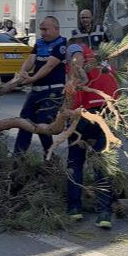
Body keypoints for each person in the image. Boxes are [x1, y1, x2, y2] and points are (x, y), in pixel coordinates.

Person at [64, 35, 120, 228]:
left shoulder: (75, 52)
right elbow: (116, 89)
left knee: (75, 163)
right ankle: (104, 212)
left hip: (82, 116)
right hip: (105, 114)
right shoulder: (105, 62)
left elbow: (76, 72)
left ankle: (74, 208)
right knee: (102, 165)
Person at [14, 16, 67, 155]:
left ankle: (49, 156)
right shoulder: (39, 43)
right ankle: (18, 157)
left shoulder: (61, 44)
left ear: (56, 29)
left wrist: (31, 78)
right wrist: (22, 73)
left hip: (52, 92)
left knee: (43, 123)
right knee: (24, 121)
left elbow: (49, 66)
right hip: (35, 91)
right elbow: (31, 60)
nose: (43, 32)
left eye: (45, 29)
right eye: (41, 29)